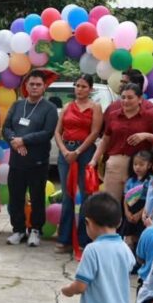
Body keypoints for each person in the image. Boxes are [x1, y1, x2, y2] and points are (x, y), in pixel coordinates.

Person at [2, 70, 58, 247]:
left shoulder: (49, 108)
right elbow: (6, 128)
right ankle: (18, 229)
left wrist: (23, 140)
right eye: (31, 84)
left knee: (37, 196)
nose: (34, 87)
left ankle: (35, 230)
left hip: (37, 161)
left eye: (38, 85)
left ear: (44, 87)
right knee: (16, 197)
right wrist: (14, 141)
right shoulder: (17, 105)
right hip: (17, 161)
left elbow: (47, 133)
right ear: (26, 86)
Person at [53, 74, 104, 252]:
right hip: (66, 152)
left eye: (83, 86)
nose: (80, 89)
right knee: (67, 196)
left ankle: (84, 238)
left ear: (90, 89)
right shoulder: (67, 106)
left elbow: (95, 132)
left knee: (86, 196)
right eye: (78, 86)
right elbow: (58, 132)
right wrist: (65, 151)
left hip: (85, 153)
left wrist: (78, 151)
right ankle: (65, 238)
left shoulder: (95, 107)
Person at [92, 83, 153, 202]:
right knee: (111, 203)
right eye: (123, 97)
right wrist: (94, 160)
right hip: (115, 164)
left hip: (139, 166)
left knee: (133, 204)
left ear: (140, 99)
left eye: (130, 97)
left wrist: (145, 135)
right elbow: (105, 140)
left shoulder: (149, 116)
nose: (126, 101)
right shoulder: (113, 115)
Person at [119, 150, 152, 251]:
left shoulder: (151, 181)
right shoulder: (131, 180)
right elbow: (125, 197)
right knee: (127, 235)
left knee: (139, 236)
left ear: (149, 165)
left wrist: (139, 214)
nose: (137, 167)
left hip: (142, 210)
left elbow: (149, 200)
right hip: (130, 209)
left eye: (141, 164)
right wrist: (127, 212)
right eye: (135, 164)